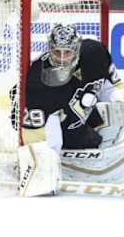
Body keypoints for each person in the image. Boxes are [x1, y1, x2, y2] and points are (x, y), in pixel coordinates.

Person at [17, 23, 124, 196]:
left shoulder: (95, 53)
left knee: (115, 110)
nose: (61, 59)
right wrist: (42, 162)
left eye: (67, 52)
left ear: (77, 49)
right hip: (55, 121)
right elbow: (36, 130)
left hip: (81, 115)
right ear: (49, 49)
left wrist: (119, 99)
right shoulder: (39, 81)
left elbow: (111, 87)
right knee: (61, 142)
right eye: (56, 52)